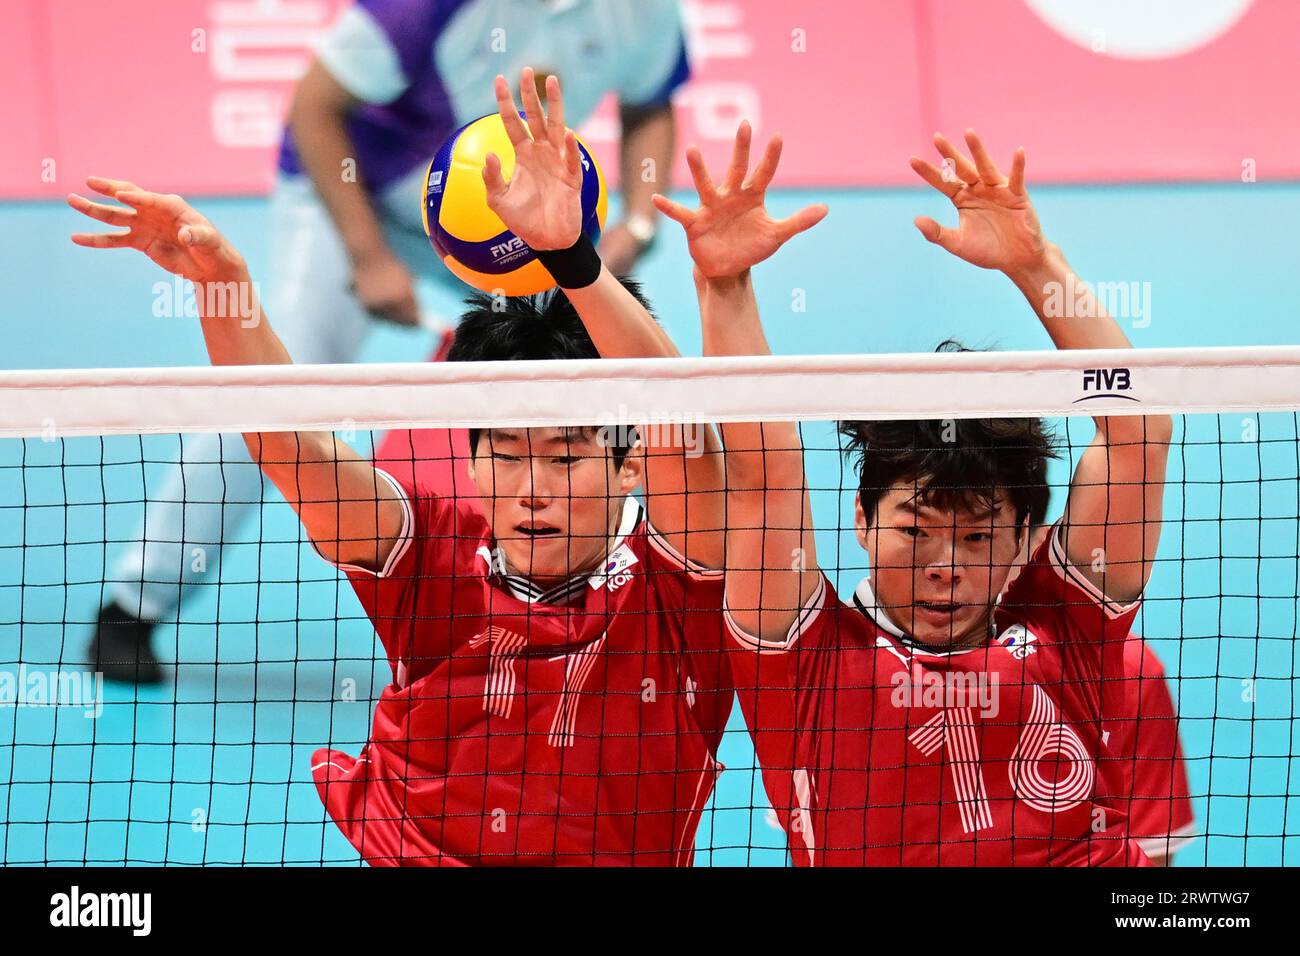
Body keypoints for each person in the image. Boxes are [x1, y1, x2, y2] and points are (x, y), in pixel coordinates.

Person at [67, 70, 745, 865]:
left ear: (632, 465)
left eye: (566, 457)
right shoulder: (431, 553)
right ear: (472, 458)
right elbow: (294, 449)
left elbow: (674, 414)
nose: (532, 490)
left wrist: (569, 258)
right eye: (507, 453)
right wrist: (225, 292)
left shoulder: (680, 582)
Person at [90, 0, 691, 681]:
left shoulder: (646, 8)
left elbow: (651, 103)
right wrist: (369, 255)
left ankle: (563, 605)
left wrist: (635, 228)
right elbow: (314, 106)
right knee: (275, 393)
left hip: (506, 223)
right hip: (354, 199)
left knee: (589, 368)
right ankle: (131, 604)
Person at [656, 127, 1173, 864]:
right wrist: (726, 286)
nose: (944, 565)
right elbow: (762, 478)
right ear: (862, 520)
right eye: (917, 529)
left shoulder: (1070, 627)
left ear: (1027, 535)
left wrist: (1036, 265)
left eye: (975, 537)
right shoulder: (803, 656)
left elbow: (1142, 434)